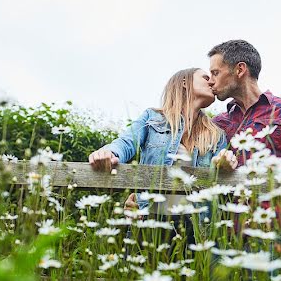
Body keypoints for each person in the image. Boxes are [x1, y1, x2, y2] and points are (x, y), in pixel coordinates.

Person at [88, 67, 238, 245]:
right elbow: (126, 142)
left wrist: (224, 163)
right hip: (150, 221)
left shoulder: (216, 134)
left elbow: (218, 172)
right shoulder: (152, 118)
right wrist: (109, 153)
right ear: (184, 82)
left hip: (194, 228)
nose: (211, 81)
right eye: (205, 77)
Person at [207, 39, 281, 178]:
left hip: (277, 198)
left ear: (240, 70)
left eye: (215, 73)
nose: (210, 81)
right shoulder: (218, 123)